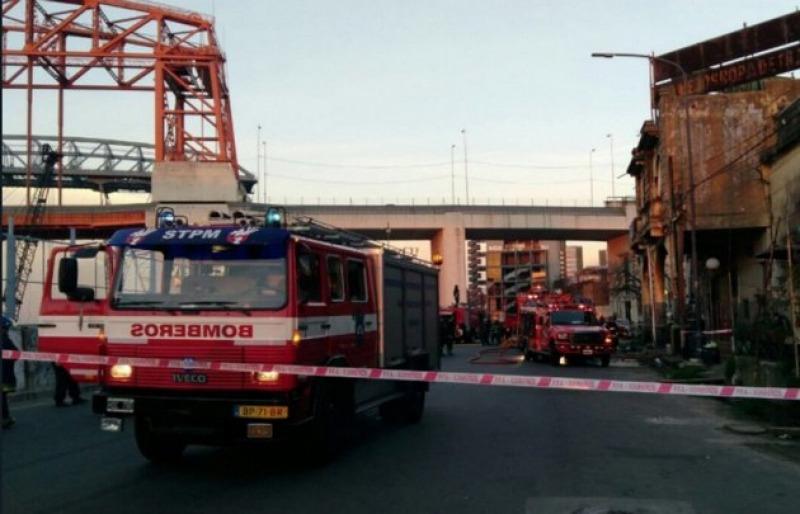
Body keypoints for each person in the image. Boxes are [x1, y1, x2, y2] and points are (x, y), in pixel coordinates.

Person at [2, 316, 18, 429]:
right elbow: (15, 353)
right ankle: (5, 418)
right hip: (4, 375)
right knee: (2, 397)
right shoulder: (5, 340)